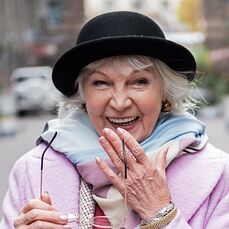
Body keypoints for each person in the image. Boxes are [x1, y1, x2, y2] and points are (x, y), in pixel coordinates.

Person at [1, 11, 229, 229]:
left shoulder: (219, 174)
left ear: (165, 93)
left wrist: (160, 214)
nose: (120, 103)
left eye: (139, 82)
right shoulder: (33, 170)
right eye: (101, 83)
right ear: (83, 97)